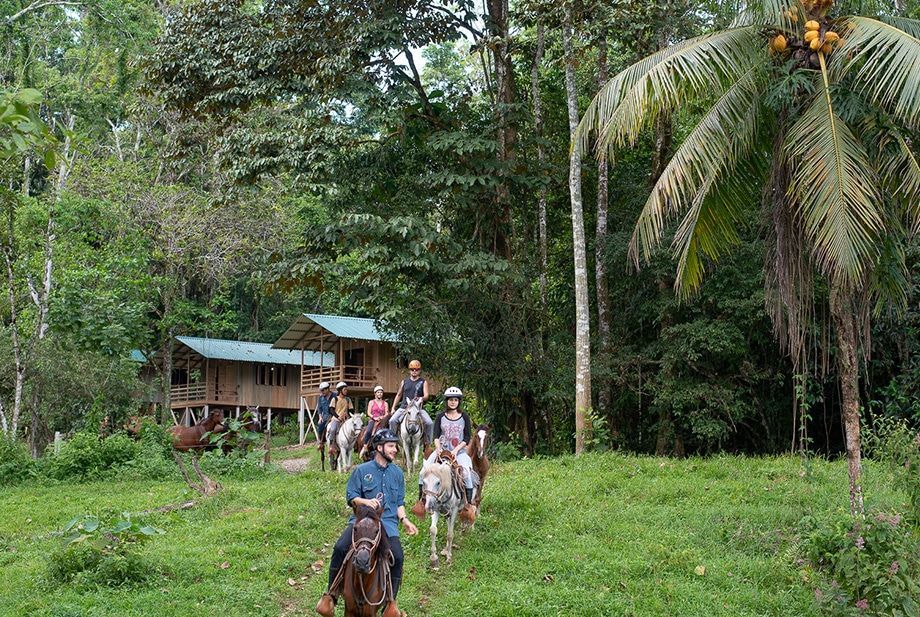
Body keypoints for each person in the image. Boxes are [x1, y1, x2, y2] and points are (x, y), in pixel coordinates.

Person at [316, 429, 418, 617]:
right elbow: (352, 498)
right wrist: (365, 502)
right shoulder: (361, 471)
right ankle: (331, 595)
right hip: (362, 522)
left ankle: (391, 603)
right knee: (340, 548)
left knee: (398, 556)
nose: (395, 450)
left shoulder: (397, 473)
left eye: (395, 446)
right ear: (379, 448)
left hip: (387, 524)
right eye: (391, 446)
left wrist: (404, 519)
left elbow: (399, 502)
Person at [414, 386, 475, 517]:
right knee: (422, 472)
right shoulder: (440, 416)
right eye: (450, 400)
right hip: (441, 450)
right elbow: (436, 435)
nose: (453, 402)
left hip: (459, 453)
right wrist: (438, 448)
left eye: (455, 400)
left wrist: (457, 449)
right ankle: (421, 501)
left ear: (459, 401)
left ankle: (467, 505)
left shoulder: (464, 417)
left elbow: (467, 437)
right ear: (446, 401)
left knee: (467, 475)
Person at [388, 359, 433, 445]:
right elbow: (398, 395)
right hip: (404, 407)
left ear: (420, 370)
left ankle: (427, 444)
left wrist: (421, 398)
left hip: (417, 408)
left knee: (429, 422)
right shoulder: (404, 382)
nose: (414, 371)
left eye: (417, 369)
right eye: (412, 369)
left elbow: (427, 395)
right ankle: (392, 442)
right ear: (409, 370)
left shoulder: (423, 382)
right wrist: (393, 407)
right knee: (392, 421)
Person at [359, 385, 389, 459]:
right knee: (368, 431)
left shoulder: (385, 403)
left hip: (382, 421)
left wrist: (382, 417)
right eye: (378, 392)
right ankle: (365, 446)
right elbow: (368, 412)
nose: (380, 394)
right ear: (375, 393)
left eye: (381, 392)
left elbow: (387, 413)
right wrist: (374, 417)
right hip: (373, 419)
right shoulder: (371, 402)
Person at [315, 382, 333, 446]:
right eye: (321, 390)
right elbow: (319, 408)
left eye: (323, 390)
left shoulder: (335, 395)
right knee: (320, 426)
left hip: (334, 416)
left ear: (327, 389)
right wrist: (320, 417)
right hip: (325, 417)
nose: (322, 392)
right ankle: (320, 441)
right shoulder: (321, 398)